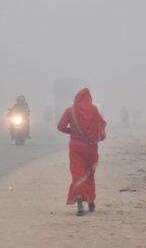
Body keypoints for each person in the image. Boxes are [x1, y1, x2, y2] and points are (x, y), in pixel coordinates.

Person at [57, 88, 106, 216]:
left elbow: (60, 126)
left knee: (77, 174)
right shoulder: (94, 110)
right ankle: (91, 202)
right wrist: (98, 137)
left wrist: (72, 132)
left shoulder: (70, 111)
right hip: (91, 149)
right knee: (89, 175)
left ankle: (79, 200)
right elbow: (101, 129)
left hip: (76, 148)